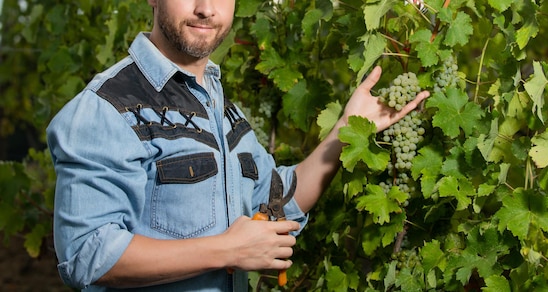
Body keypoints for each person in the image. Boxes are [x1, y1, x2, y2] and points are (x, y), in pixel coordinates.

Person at [46, 0, 430, 291]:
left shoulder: (219, 105)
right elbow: (87, 254)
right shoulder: (107, 107)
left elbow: (275, 198)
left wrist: (346, 129)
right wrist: (228, 251)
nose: (205, 9)